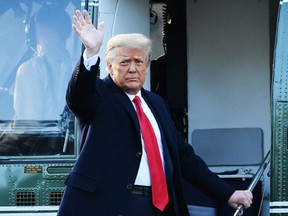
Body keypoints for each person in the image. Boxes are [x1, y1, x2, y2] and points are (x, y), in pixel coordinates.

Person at [58, 9, 253, 216]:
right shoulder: (99, 94)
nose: (132, 69)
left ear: (147, 66)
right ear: (109, 66)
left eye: (139, 62)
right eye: (124, 62)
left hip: (157, 207)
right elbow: (77, 98)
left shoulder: (156, 103)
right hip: (110, 206)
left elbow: (184, 157)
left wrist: (227, 194)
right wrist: (91, 52)